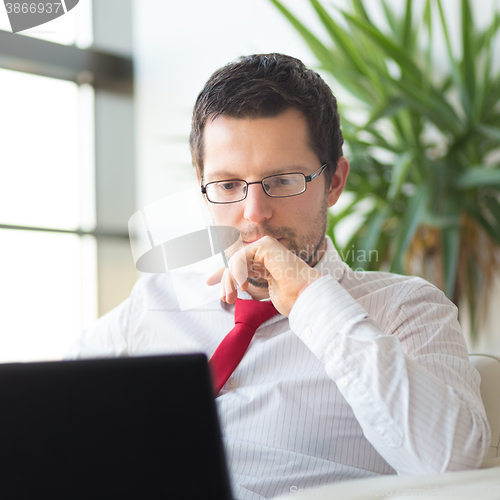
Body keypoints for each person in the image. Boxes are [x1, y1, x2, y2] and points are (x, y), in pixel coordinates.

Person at [67, 53, 490, 500]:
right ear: (202, 188)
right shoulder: (156, 300)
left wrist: (311, 299)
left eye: (284, 180)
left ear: (334, 183)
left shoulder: (406, 308)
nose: (254, 214)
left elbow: (452, 466)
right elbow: (47, 417)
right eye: (228, 185)